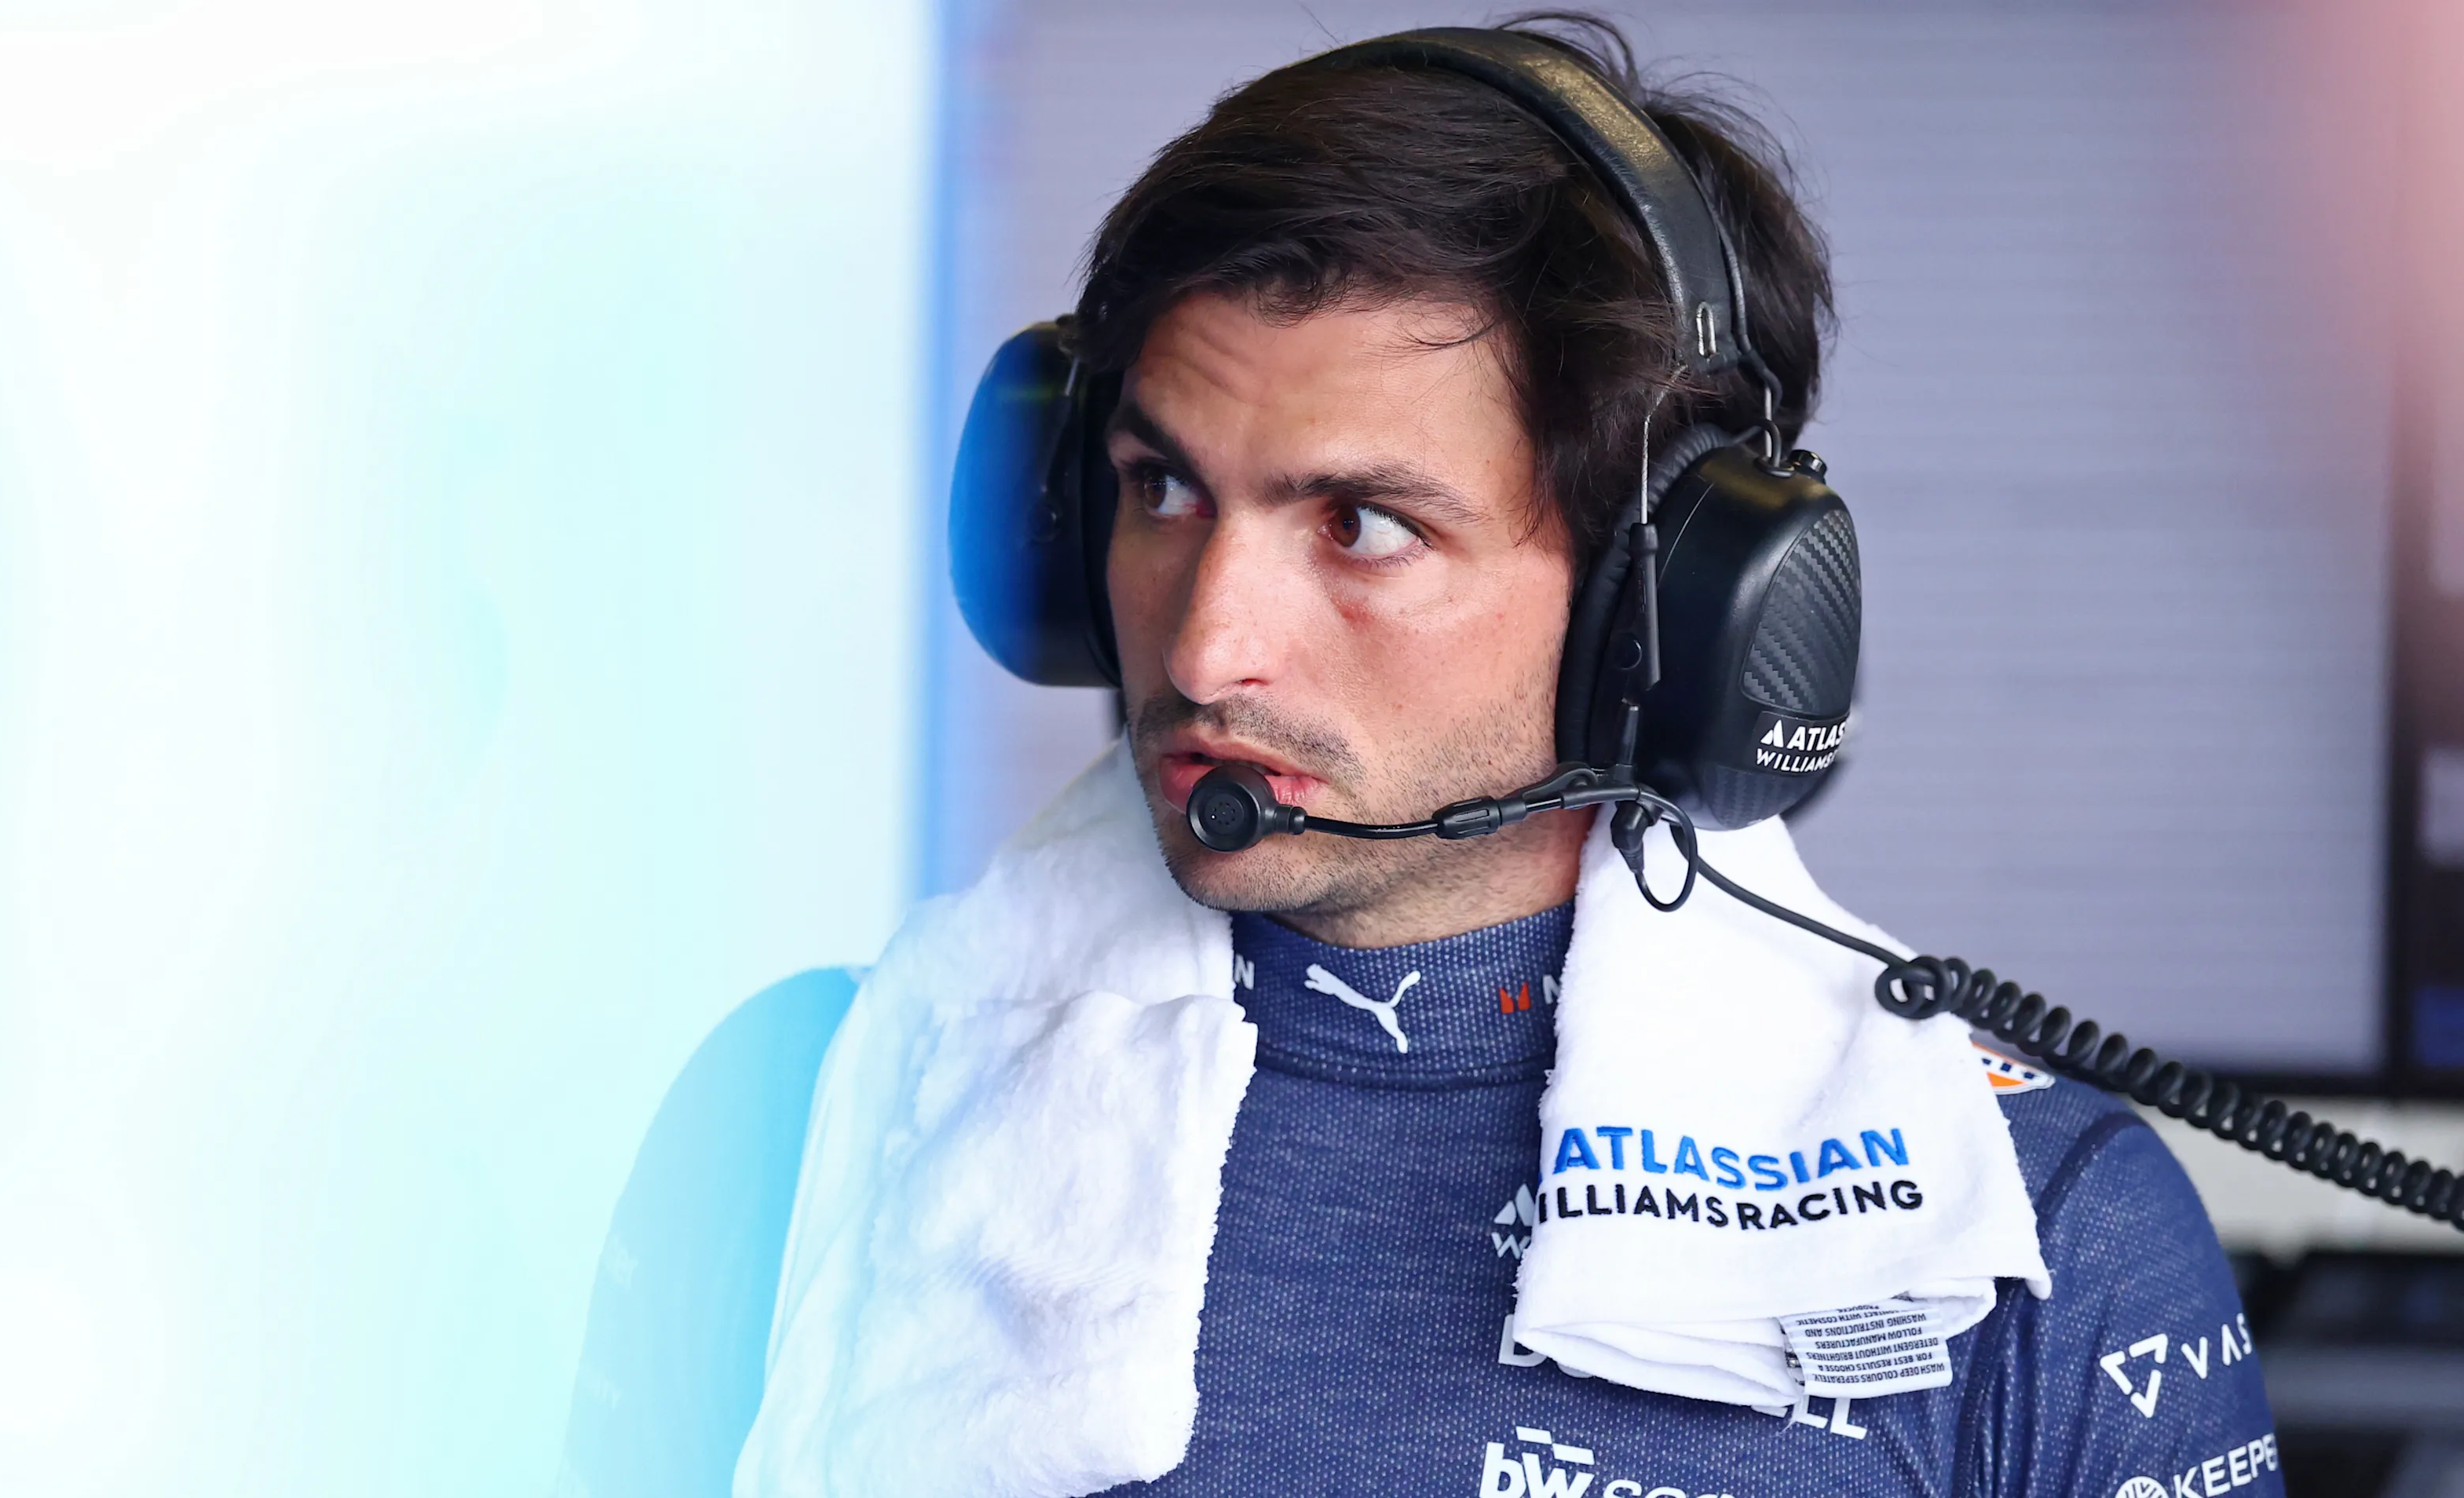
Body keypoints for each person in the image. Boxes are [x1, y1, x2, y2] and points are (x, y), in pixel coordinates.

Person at [559, 16, 2278, 1498]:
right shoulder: (805, 1121)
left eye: (1362, 525)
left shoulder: (2031, 1240)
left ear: (1655, 614)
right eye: (1162, 489)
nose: (1207, 646)